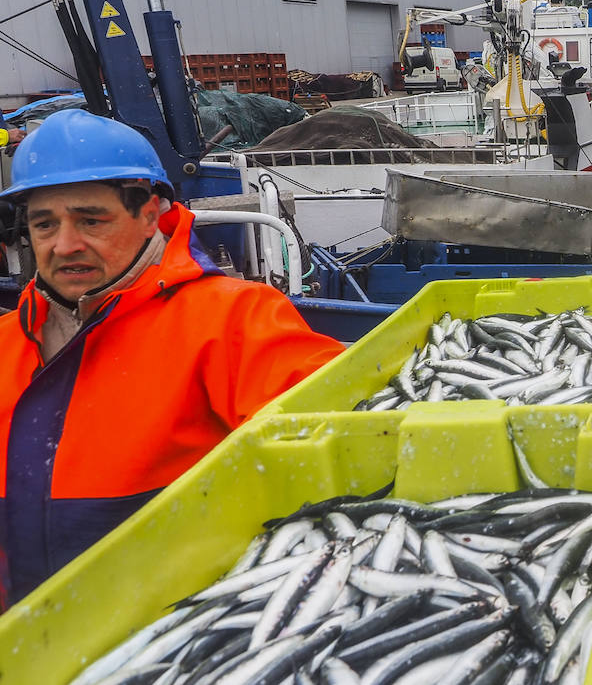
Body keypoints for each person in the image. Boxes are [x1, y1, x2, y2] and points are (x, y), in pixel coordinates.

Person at [0, 109, 344, 606]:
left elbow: (343, 425)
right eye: (44, 224)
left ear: (151, 214)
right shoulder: (7, 342)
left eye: (91, 220)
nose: (65, 245)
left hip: (177, 633)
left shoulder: (234, 320)